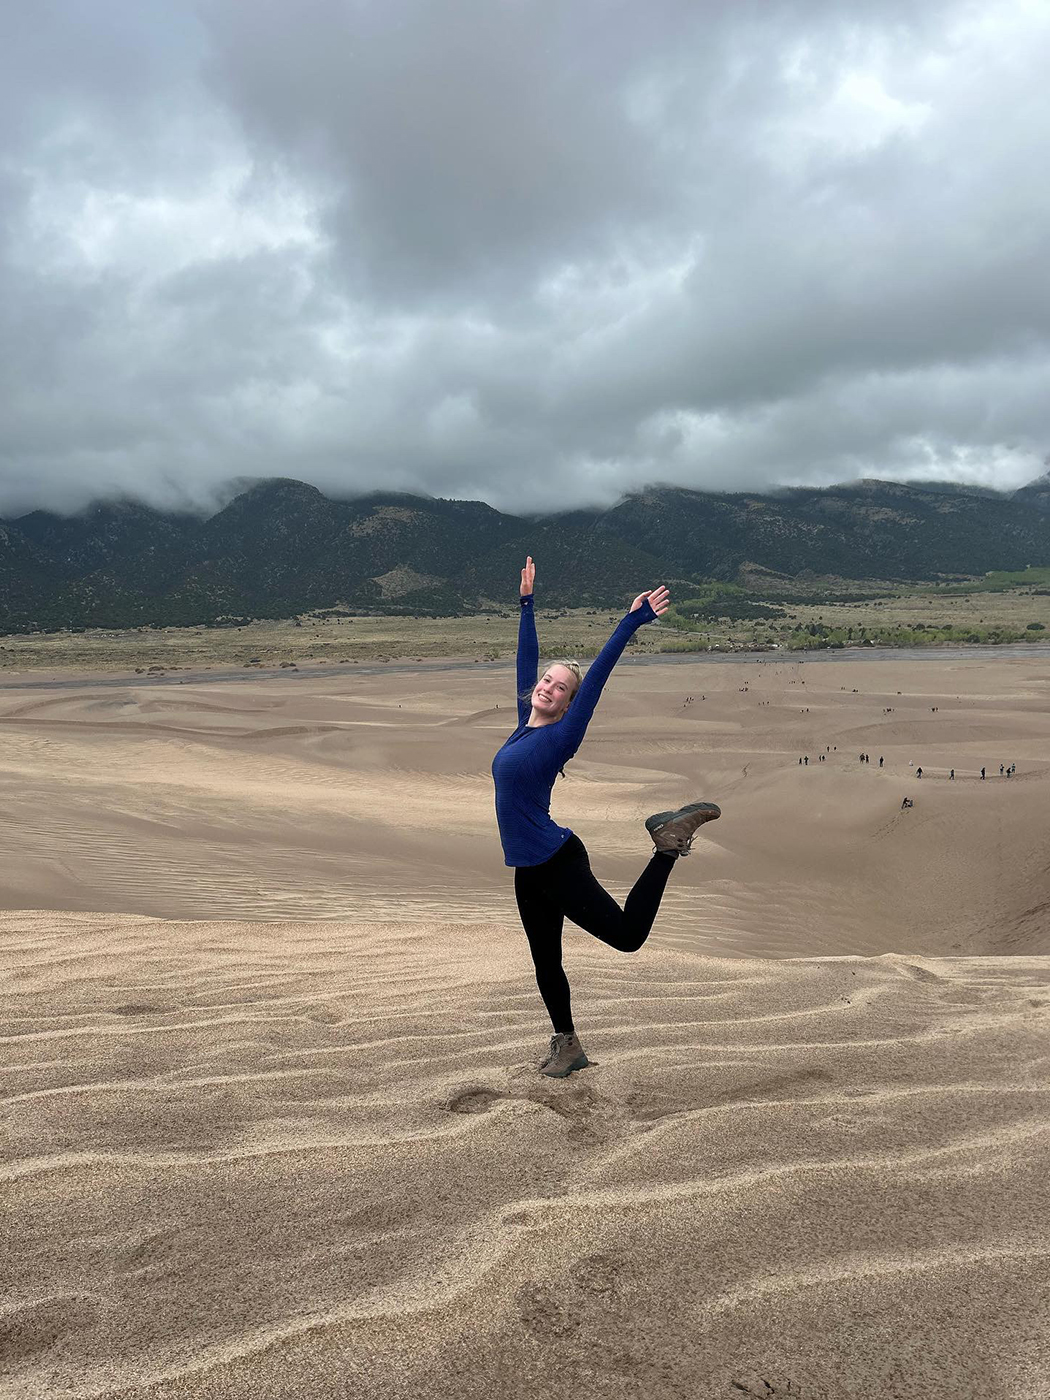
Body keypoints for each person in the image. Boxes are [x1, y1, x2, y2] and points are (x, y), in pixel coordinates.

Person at [492, 557, 720, 1079]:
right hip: (528, 869)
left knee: (626, 936)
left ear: (568, 704)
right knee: (546, 962)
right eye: (546, 681)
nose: (549, 687)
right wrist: (526, 604)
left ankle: (667, 846)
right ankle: (567, 1045)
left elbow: (595, 680)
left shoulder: (559, 737)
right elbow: (526, 661)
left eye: (560, 688)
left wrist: (631, 622)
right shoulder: (523, 724)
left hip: (556, 861)